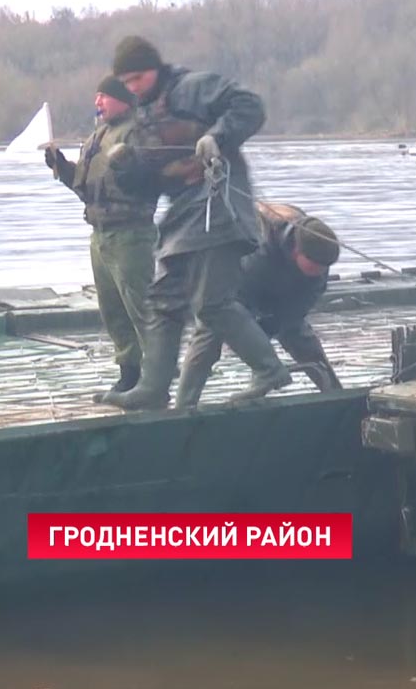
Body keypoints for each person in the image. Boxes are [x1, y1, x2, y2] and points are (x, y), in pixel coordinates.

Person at [102, 35, 291, 411]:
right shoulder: (142, 119)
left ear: (155, 69)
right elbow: (153, 181)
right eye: (127, 83)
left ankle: (268, 369)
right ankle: (153, 387)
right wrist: (127, 169)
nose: (133, 88)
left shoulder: (193, 87)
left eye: (138, 78)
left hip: (220, 201)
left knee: (212, 303)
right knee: (163, 300)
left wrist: (215, 137)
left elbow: (250, 105)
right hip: (182, 213)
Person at [45, 76, 159, 401]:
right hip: (101, 235)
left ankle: (158, 377)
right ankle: (130, 374)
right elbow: (86, 189)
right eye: (96, 97)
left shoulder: (138, 133)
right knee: (112, 310)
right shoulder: (97, 136)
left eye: (104, 97)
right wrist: (63, 168)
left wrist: (133, 169)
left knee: (142, 308)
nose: (98, 103)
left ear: (123, 100)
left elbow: (151, 177)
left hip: (132, 235)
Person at [176, 201, 343, 408]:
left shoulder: (319, 250)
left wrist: (279, 323)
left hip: (283, 290)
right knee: (208, 335)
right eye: (316, 266)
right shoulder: (258, 251)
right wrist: (254, 337)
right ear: (297, 251)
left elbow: (305, 301)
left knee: (299, 336)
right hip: (231, 286)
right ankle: (183, 406)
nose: (320, 271)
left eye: (324, 268)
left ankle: (336, 395)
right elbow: (234, 301)